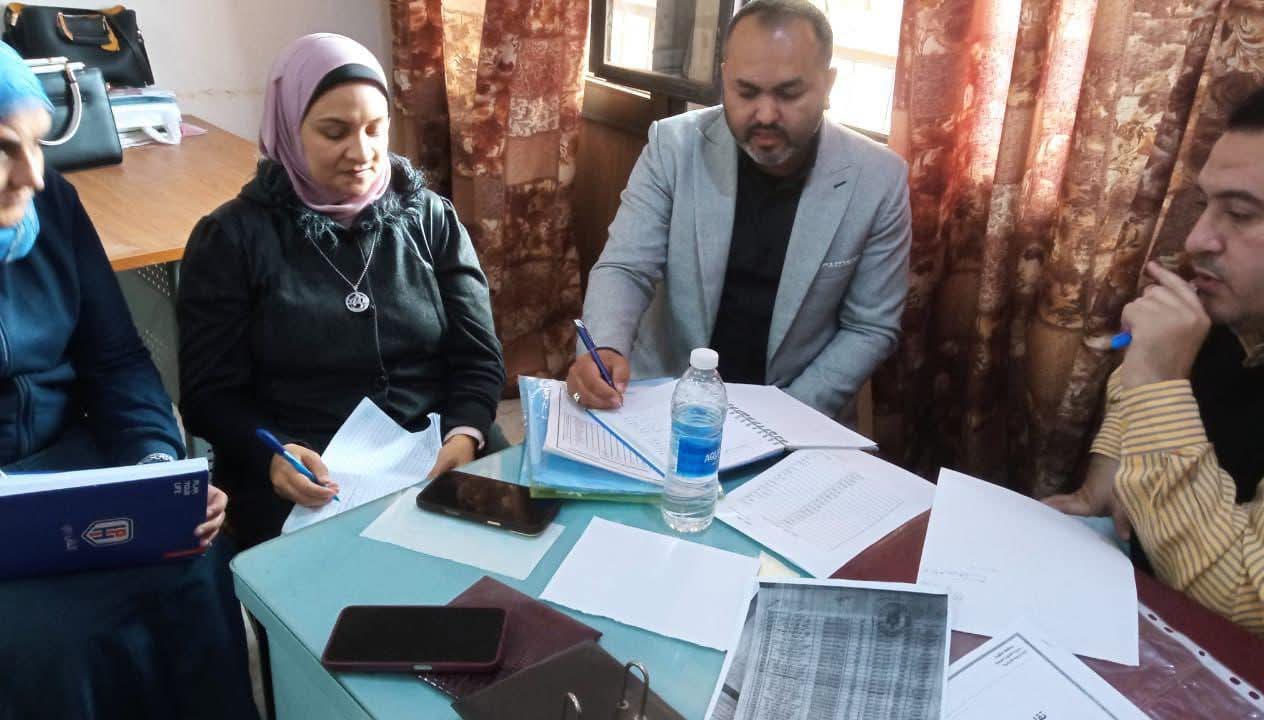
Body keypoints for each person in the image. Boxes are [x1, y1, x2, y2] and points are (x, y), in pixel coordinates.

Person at [0, 45, 255, 718]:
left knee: (195, 565)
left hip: (69, 471)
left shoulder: (52, 206)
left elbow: (115, 360)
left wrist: (155, 469)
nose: (33, 174)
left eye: (37, 143)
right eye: (3, 148)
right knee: (41, 644)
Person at [179, 34, 505, 550]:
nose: (362, 153)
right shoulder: (232, 239)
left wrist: (466, 432)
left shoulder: (428, 217)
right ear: (289, 128)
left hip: (439, 441)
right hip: (306, 467)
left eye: (376, 129)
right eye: (334, 132)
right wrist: (274, 454)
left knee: (508, 560)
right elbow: (209, 396)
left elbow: (478, 355)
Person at [567, 0, 910, 418]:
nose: (765, 114)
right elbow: (626, 267)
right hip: (667, 395)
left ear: (828, 85)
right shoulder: (673, 147)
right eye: (746, 92)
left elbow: (869, 328)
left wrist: (782, 417)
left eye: (789, 93)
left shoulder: (878, 179)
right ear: (725, 79)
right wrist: (604, 346)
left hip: (795, 408)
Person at [1045, 80, 1264, 646]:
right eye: (1204, 206)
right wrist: (1102, 481)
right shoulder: (1232, 304)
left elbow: (1249, 602)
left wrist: (1157, 381)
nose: (1197, 240)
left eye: (1240, 214)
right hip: (1139, 592)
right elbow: (1138, 374)